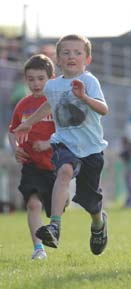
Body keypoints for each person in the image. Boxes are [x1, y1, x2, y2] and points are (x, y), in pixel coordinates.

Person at [14, 34, 109, 255]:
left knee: (90, 200)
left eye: (77, 53)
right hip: (63, 144)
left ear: (87, 58)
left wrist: (84, 97)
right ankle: (55, 226)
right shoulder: (53, 85)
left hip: (91, 149)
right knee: (64, 171)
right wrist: (28, 123)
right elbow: (49, 104)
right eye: (65, 53)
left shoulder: (90, 81)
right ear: (57, 58)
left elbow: (104, 109)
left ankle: (98, 223)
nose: (71, 56)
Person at [7, 54, 56, 260]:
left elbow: (69, 132)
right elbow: (13, 131)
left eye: (40, 78)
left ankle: (59, 205)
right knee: (33, 204)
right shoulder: (23, 105)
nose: (35, 83)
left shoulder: (56, 103)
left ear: (51, 78)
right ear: (25, 80)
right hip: (32, 164)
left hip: (56, 164)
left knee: (55, 208)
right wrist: (15, 147)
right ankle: (38, 250)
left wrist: (48, 143)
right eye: (31, 79)